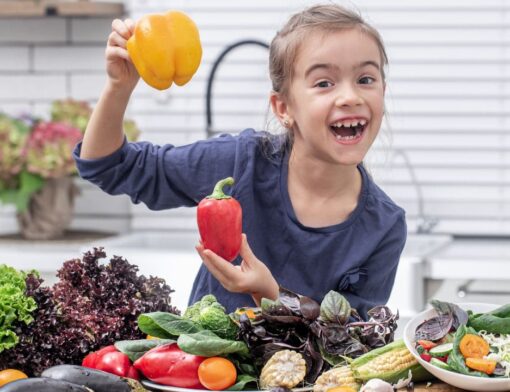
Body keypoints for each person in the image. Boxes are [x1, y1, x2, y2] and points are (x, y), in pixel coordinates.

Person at [74, 4, 406, 318]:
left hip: (309, 381)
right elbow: (108, 166)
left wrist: (272, 296)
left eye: (366, 79)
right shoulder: (240, 163)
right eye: (324, 83)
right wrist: (119, 86)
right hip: (204, 377)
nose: (350, 96)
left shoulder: (384, 226)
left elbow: (356, 344)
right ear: (283, 108)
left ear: (383, 91)